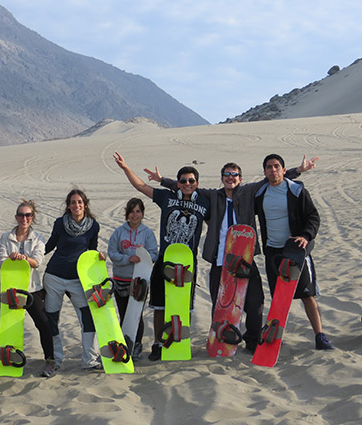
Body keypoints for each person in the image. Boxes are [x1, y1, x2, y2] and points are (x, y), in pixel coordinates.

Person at [148, 155, 318, 353]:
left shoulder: (249, 192)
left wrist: (298, 170)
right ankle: (220, 339)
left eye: (234, 175)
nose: (231, 177)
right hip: (219, 257)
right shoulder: (213, 196)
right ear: (222, 178)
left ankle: (252, 340)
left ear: (240, 178)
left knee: (255, 303)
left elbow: (273, 177)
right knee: (219, 304)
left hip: (245, 258)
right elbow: (188, 187)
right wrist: (162, 181)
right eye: (227, 174)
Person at [113, 152, 211, 361]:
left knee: (183, 305)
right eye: (183, 181)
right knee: (159, 305)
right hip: (164, 260)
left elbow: (216, 223)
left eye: (191, 181)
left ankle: (178, 342)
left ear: (197, 183)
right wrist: (126, 168)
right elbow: (141, 186)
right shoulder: (167, 198)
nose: (187, 184)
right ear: (178, 183)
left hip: (187, 263)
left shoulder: (205, 203)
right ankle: (158, 343)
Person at [254, 154, 334, 350]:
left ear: (283, 169)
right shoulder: (259, 194)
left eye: (277, 166)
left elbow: (313, 217)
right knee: (279, 298)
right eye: (269, 167)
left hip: (296, 251)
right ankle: (275, 339)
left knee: (307, 294)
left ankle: (320, 336)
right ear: (264, 172)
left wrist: (306, 236)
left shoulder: (296, 190)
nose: (273, 170)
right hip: (273, 252)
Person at [43, 189, 104, 371]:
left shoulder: (93, 226)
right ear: (68, 206)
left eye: (79, 202)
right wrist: (32, 257)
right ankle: (56, 359)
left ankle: (90, 360)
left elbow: (91, 250)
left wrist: (98, 257)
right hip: (54, 276)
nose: (76, 205)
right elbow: (50, 245)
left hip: (78, 279)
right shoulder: (60, 223)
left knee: (88, 318)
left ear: (85, 204)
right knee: (52, 318)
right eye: (73, 202)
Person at [0, 200, 56, 377]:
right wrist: (11, 258)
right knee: (8, 327)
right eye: (21, 215)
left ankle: (50, 360)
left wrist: (23, 258)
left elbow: (37, 261)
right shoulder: (6, 237)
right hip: (10, 290)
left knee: (43, 323)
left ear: (32, 217)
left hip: (32, 288)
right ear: (16, 217)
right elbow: (1, 260)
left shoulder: (38, 238)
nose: (24, 218)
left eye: (28, 215)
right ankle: (7, 362)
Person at [107, 198, 158, 360]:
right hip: (121, 279)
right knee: (124, 314)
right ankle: (124, 345)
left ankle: (136, 345)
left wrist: (143, 257)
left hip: (139, 281)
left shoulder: (147, 233)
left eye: (138, 211)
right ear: (127, 213)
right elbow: (112, 253)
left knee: (136, 315)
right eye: (131, 211)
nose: (134, 215)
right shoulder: (119, 232)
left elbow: (154, 254)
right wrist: (127, 258)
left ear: (142, 213)